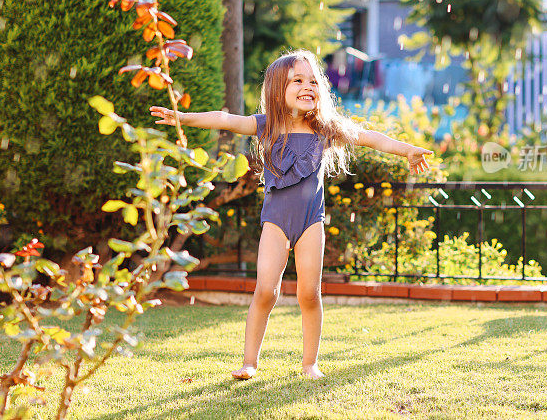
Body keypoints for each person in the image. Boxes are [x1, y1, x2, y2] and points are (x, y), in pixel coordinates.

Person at [149, 49, 432, 380]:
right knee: (265, 291)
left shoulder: (325, 129)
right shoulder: (266, 126)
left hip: (311, 223)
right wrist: (185, 117)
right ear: (277, 89)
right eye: (297, 80)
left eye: (312, 80)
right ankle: (249, 362)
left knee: (308, 294)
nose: (307, 86)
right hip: (276, 223)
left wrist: (406, 150)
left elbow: (368, 138)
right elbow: (226, 119)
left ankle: (310, 363)